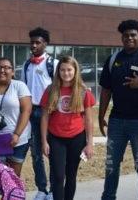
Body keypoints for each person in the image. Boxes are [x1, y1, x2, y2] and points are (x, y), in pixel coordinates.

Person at [99, 20, 138, 200]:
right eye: (126, 35)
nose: (129, 38)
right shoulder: (114, 59)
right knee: (111, 166)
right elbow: (106, 91)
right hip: (116, 123)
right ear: (121, 38)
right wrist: (101, 117)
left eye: (133, 35)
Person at [41, 56, 95, 200]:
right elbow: (45, 117)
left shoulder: (83, 91)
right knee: (58, 176)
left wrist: (90, 143)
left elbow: (89, 119)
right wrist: (44, 141)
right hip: (56, 138)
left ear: (75, 71)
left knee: (71, 175)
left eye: (69, 70)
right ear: (58, 71)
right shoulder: (51, 89)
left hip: (77, 138)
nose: (66, 73)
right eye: (63, 70)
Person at [21, 27, 58, 200]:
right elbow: (23, 89)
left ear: (46, 44)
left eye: (38, 42)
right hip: (31, 113)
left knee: (52, 152)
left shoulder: (54, 64)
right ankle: (42, 188)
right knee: (36, 153)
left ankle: (53, 190)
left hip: (49, 113)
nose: (34, 45)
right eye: (32, 42)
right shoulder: (27, 65)